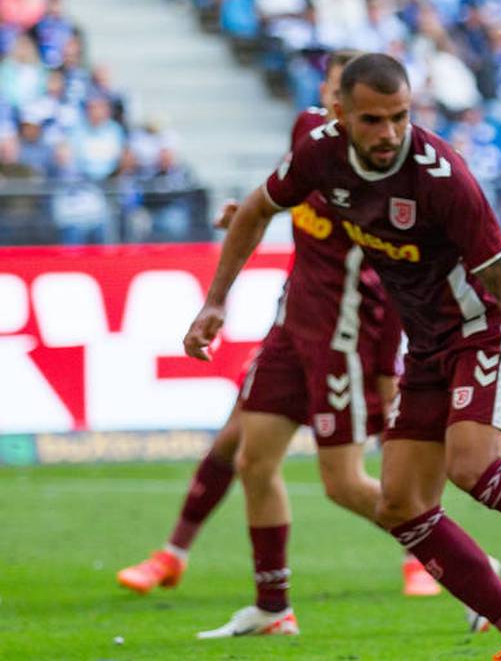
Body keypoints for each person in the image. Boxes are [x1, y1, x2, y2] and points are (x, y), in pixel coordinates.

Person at [183, 53, 501, 661]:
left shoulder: (441, 175)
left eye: (400, 117)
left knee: (472, 469)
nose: (389, 133)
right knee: (402, 506)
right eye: (373, 120)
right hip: (426, 344)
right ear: (340, 114)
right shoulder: (319, 153)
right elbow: (256, 209)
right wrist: (214, 302)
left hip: (479, 332)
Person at [117, 51, 444, 638]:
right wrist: (247, 214)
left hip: (345, 330)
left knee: (345, 483)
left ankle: (455, 563)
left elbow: (396, 269)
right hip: (291, 324)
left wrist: (392, 361)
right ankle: (272, 607)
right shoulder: (309, 136)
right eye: (334, 92)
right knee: (250, 456)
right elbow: (279, 192)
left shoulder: (384, 172)